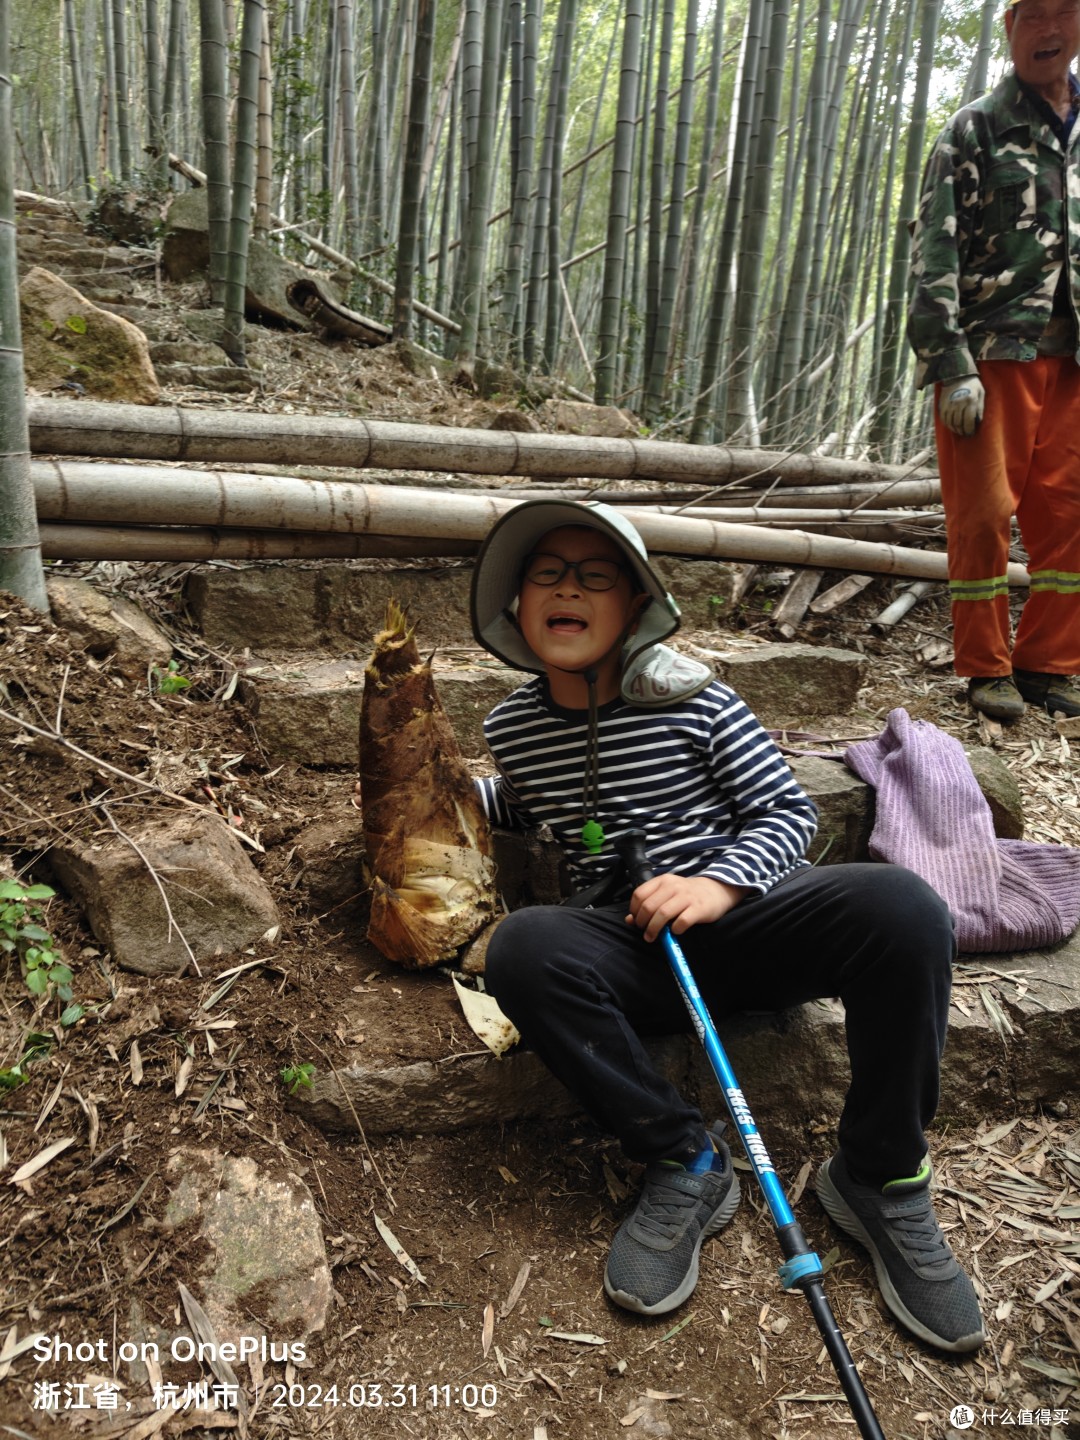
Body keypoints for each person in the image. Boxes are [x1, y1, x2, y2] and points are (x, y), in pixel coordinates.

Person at [468, 499, 986, 1356]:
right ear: (516, 606)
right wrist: (421, 799)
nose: (569, 588)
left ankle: (881, 1175)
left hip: (750, 932)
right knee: (525, 945)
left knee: (904, 906)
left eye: (596, 575)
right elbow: (530, 804)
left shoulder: (700, 700)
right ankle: (685, 1160)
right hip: (634, 959)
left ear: (635, 606)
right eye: (546, 574)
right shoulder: (513, 729)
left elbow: (785, 814)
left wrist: (718, 883)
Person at [908, 0, 1080, 722]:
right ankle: (986, 668)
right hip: (992, 354)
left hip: (1073, 358)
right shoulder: (973, 129)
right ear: (1009, 26)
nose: (1049, 29)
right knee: (982, 516)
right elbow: (933, 251)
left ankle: (1051, 663)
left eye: (1065, 12)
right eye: (1033, 14)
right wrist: (949, 361)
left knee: (1069, 516)